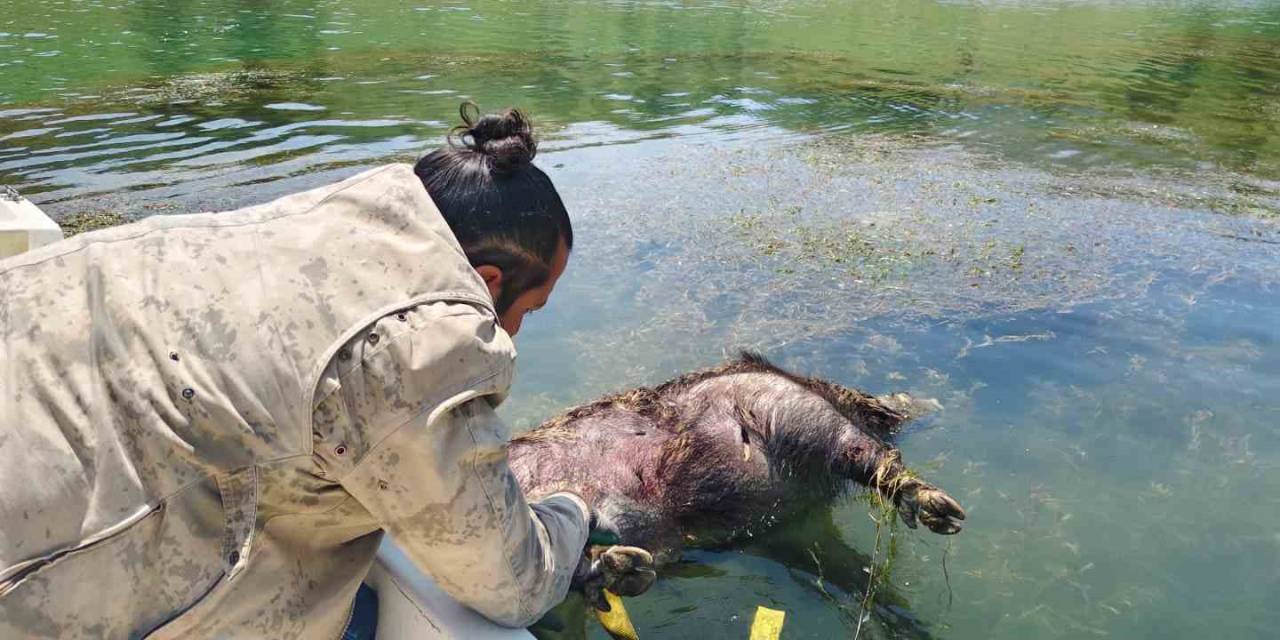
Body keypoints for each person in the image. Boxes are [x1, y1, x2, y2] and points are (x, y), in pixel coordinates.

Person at [0, 103, 651, 638]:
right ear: (488, 280)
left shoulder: (297, 229)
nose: (516, 332)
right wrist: (569, 515)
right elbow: (508, 583)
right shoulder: (415, 348)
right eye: (529, 310)